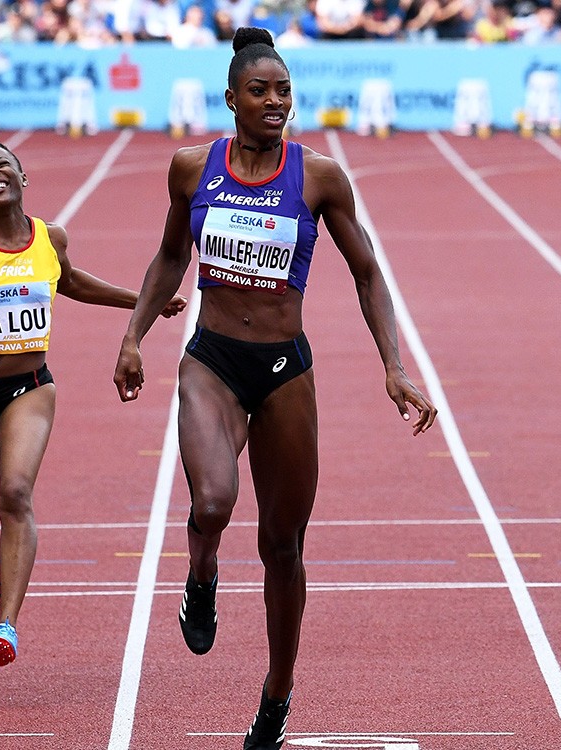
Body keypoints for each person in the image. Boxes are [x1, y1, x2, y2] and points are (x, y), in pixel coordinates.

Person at [112, 26, 436, 750]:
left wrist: (394, 365)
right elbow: (171, 256)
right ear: (230, 99)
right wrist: (133, 335)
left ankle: (277, 696)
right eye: (259, 91)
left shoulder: (318, 176)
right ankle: (201, 574)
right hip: (212, 360)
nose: (275, 103)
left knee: (284, 545)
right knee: (212, 501)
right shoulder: (192, 168)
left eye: (284, 91)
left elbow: (368, 272)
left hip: (286, 368)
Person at [0, 130, 186, 667]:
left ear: (22, 176)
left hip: (29, 387)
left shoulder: (50, 237)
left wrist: (146, 300)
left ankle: (6, 624)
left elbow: (72, 283)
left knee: (15, 493)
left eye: (1, 164)